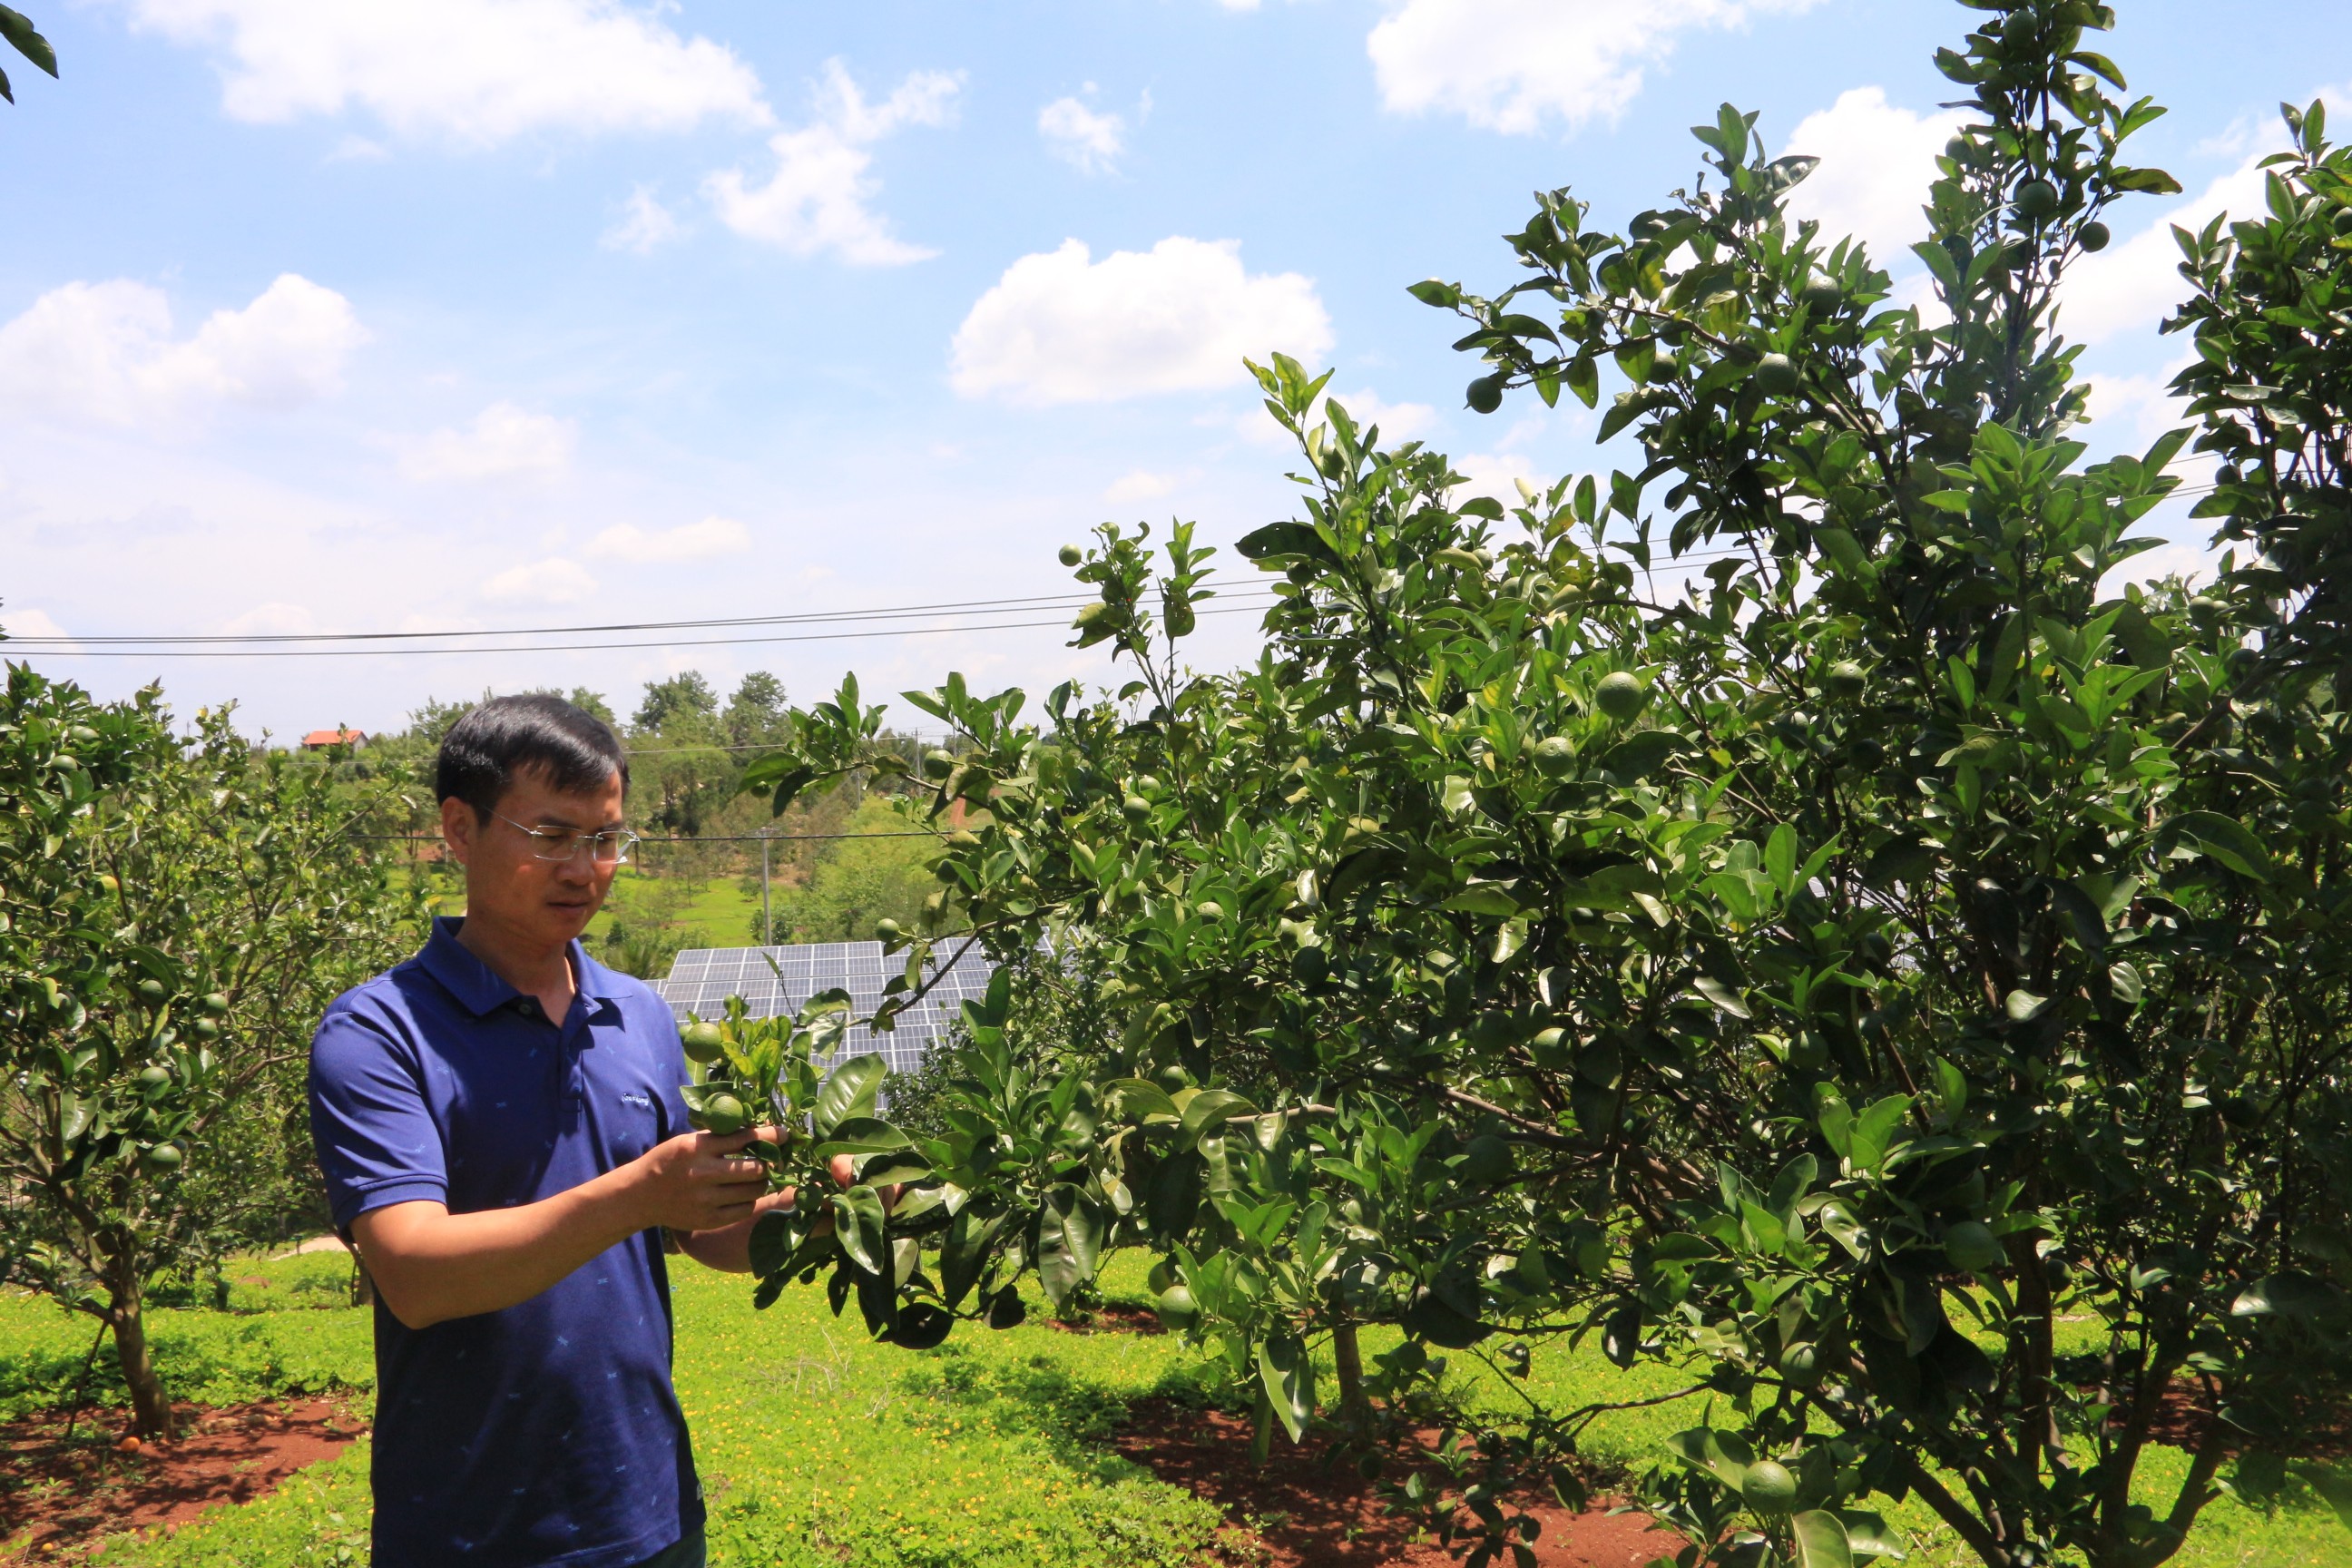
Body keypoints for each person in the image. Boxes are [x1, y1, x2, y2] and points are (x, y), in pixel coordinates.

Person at [309, 693, 794, 1568]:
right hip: (468, 1530)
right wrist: (641, 1191)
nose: (585, 869)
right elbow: (414, 1274)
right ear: (459, 828)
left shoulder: (638, 1014)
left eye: (605, 840)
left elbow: (696, 1235)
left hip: (648, 1509)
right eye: (551, 836)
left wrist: (821, 1214)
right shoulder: (380, 1034)